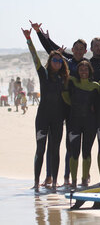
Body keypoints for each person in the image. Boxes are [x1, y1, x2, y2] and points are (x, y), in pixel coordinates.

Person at [22, 27, 69, 191]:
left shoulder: (64, 77)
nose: (57, 63)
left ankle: (55, 183)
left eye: (59, 61)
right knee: (40, 149)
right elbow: (35, 57)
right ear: (50, 62)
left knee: (55, 150)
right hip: (42, 117)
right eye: (54, 60)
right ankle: (36, 182)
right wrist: (29, 39)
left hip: (57, 119)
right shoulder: (43, 73)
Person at [64, 61, 99, 188]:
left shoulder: (95, 86)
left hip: (90, 123)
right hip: (74, 122)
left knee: (86, 152)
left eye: (86, 70)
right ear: (77, 71)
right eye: (81, 70)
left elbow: (98, 104)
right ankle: (73, 180)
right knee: (74, 152)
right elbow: (65, 96)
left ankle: (84, 179)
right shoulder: (72, 81)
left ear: (90, 71)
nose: (84, 72)